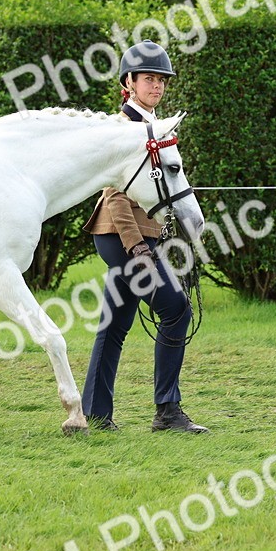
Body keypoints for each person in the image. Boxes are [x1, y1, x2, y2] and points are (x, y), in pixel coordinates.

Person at [80, 40, 208, 434]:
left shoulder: (154, 126)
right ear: (129, 83)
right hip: (122, 236)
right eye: (149, 79)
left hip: (134, 238)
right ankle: (167, 412)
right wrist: (138, 247)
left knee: (114, 324)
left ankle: (95, 415)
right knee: (175, 309)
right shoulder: (124, 128)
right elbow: (114, 195)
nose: (157, 86)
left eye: (161, 80)